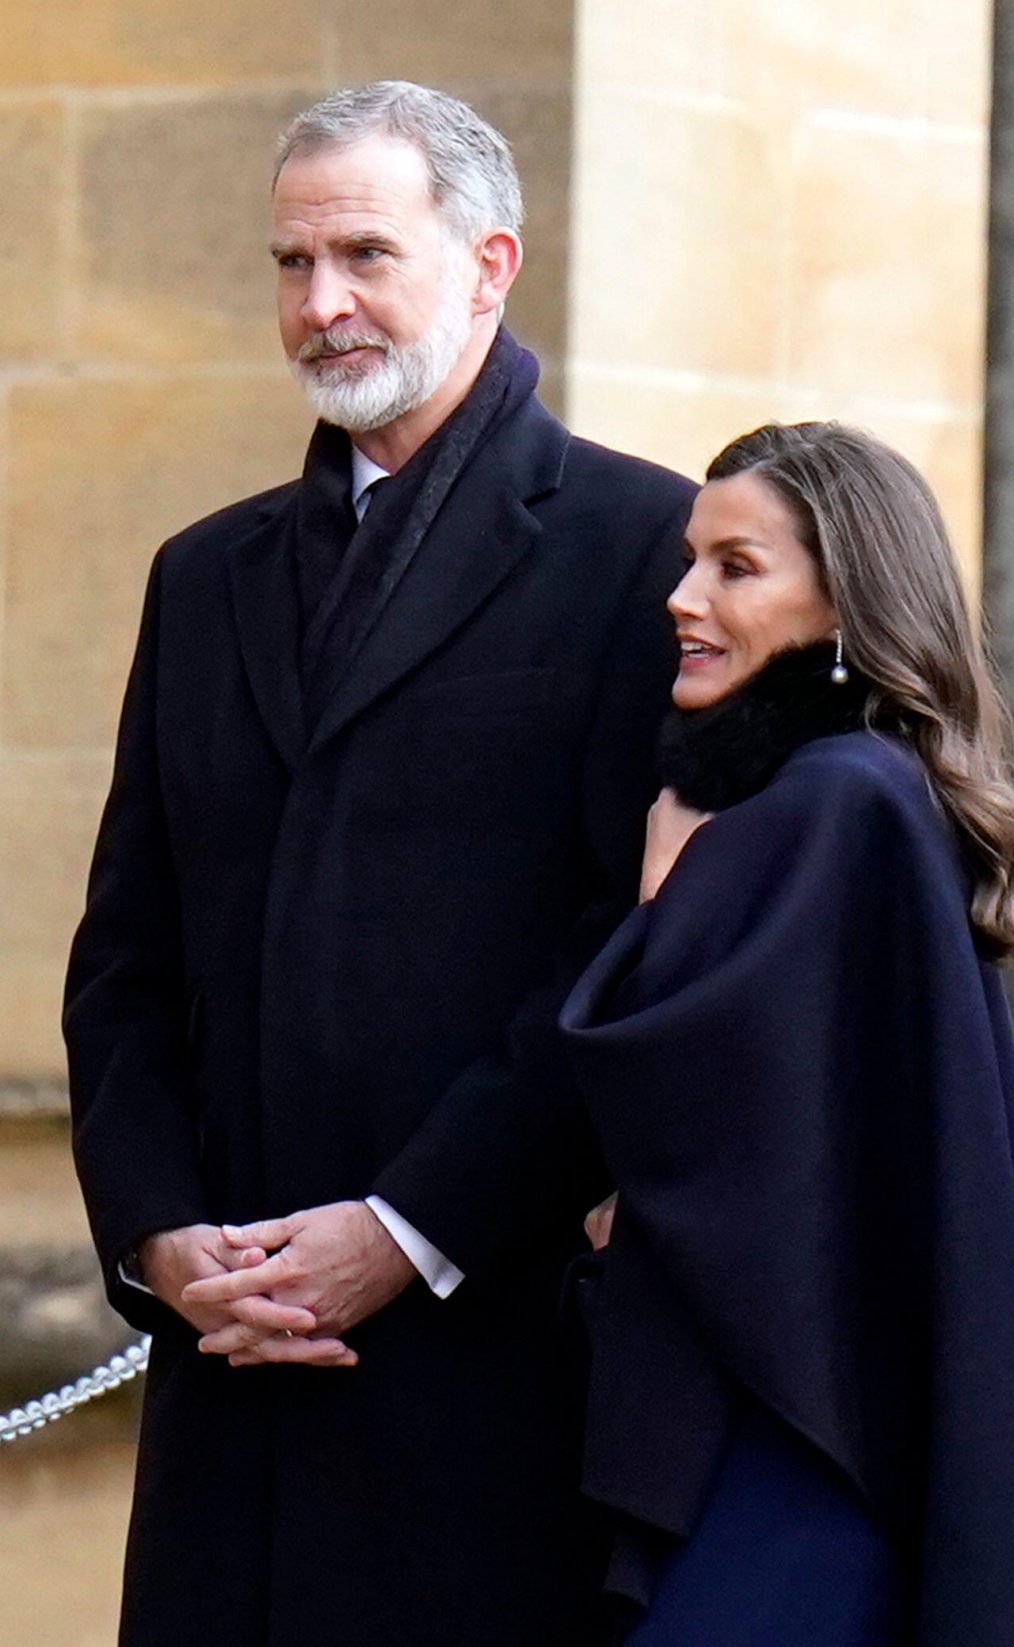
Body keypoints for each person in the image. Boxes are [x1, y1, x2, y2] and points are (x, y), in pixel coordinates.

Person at [64, 81, 695, 1647]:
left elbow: (626, 958)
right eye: (291, 262)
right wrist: (158, 1232)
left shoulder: (646, 546)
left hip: (491, 1385)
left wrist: (403, 1229)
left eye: (364, 253)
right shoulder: (201, 573)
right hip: (230, 1381)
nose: (321, 303)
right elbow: (129, 955)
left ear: (490, 264)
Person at [560, 422, 1014, 1646]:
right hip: (854, 1409)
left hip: (787, 1435)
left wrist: (666, 910)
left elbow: (687, 1122)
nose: (682, 597)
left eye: (735, 567)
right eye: (689, 560)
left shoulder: (820, 809)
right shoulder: (870, 789)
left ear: (840, 599)